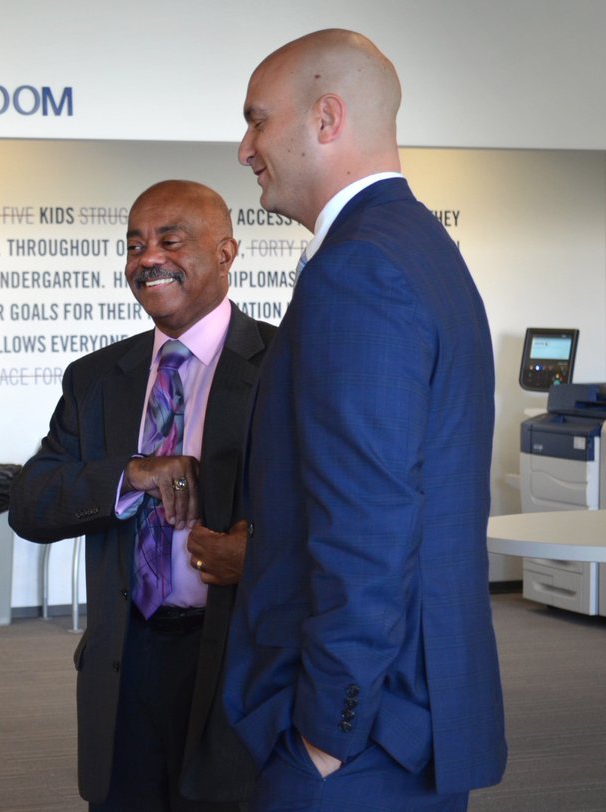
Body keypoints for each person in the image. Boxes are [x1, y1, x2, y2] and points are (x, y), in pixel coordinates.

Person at [222, 29, 507, 811]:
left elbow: (367, 522)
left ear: (325, 119)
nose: (244, 146)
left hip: (362, 740)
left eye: (256, 120)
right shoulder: (412, 245)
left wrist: (326, 734)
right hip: (403, 719)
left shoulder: (360, 268)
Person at [10, 179, 276, 811]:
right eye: (134, 245)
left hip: (237, 665)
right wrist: (132, 474)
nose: (147, 258)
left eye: (169, 240)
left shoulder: (282, 364)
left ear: (226, 253)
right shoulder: (97, 379)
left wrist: (255, 552)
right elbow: (31, 502)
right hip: (125, 662)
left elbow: (330, 516)